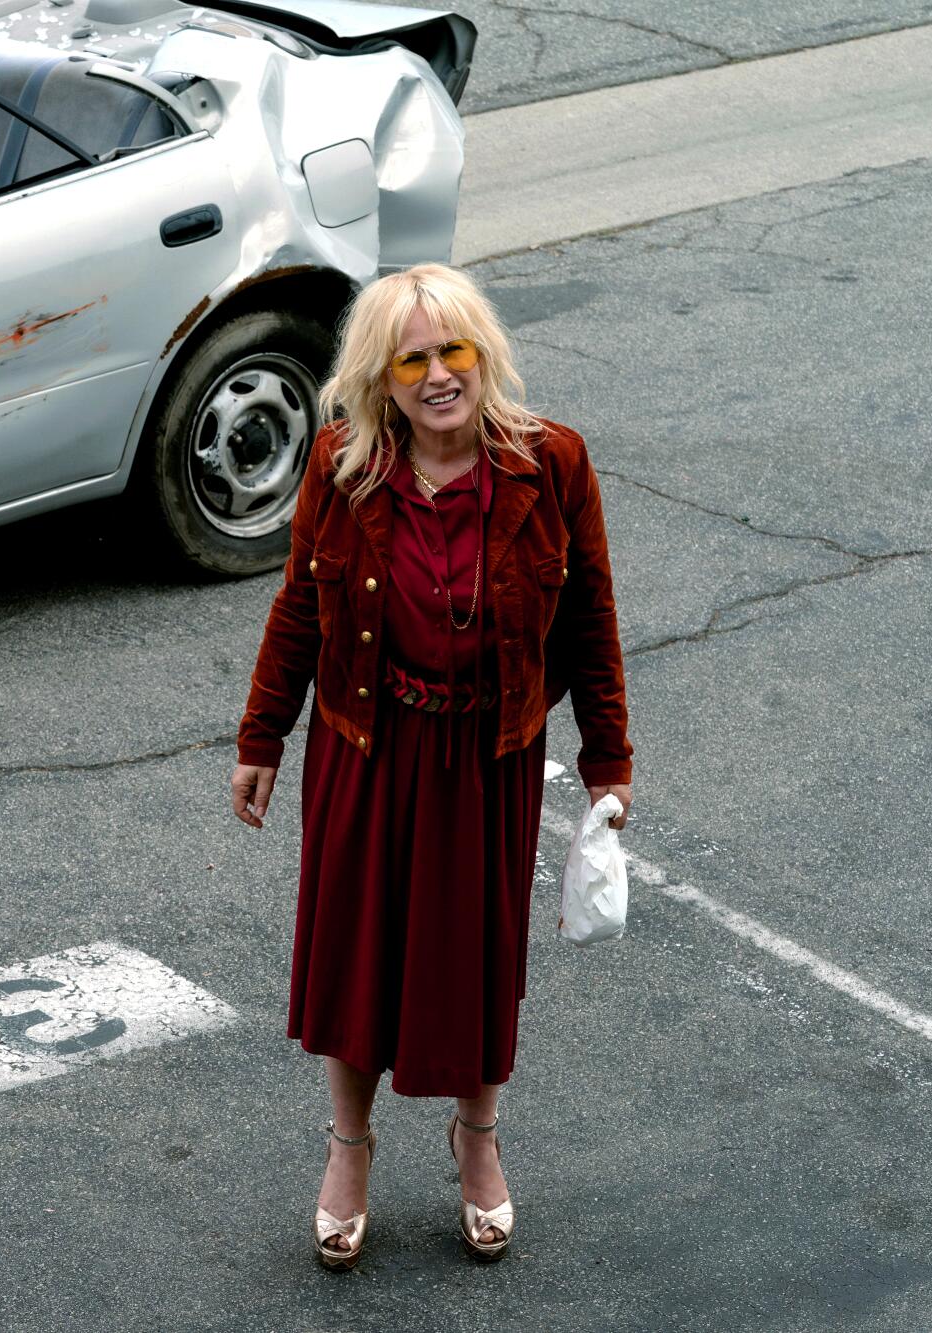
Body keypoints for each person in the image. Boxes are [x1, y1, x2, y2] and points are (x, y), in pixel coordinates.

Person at [229, 262, 632, 1268]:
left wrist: (607, 759)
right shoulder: (340, 465)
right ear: (380, 375)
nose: (436, 374)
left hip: (484, 759)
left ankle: (477, 1140)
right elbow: (297, 608)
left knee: (473, 964)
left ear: (481, 353)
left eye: (451, 349)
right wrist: (261, 738)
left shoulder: (555, 465)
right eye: (411, 357)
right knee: (355, 962)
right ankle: (348, 1150)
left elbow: (588, 619)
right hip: (367, 748)